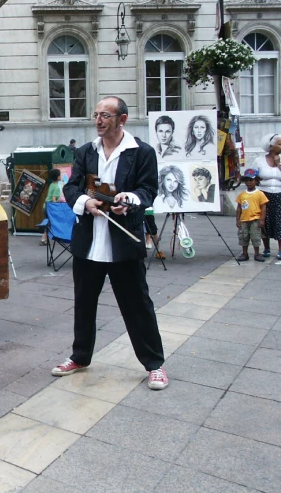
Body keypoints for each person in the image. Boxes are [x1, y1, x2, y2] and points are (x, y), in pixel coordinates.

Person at [54, 96, 168, 391]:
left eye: (105, 115)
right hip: (89, 242)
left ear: (122, 119)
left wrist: (128, 201)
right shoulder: (86, 152)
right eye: (96, 114)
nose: (99, 120)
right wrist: (85, 201)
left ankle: (155, 365)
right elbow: (72, 186)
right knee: (84, 303)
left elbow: (148, 189)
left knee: (137, 305)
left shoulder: (141, 152)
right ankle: (80, 356)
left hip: (123, 241)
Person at [253, 133, 281, 259]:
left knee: (279, 222)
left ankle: (280, 250)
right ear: (271, 146)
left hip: (279, 194)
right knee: (264, 221)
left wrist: (279, 164)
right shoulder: (259, 160)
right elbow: (252, 176)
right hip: (263, 194)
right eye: (279, 144)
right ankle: (267, 248)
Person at [235, 168, 268, 262]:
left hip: (255, 219)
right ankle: (244, 253)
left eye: (251, 180)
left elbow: (263, 207)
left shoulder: (260, 194)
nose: (248, 182)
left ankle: (257, 253)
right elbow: (239, 208)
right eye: (246, 180)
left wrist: (262, 220)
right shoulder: (242, 195)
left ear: (256, 181)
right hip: (244, 220)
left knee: (255, 236)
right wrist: (238, 219)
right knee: (243, 237)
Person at [40, 168, 64, 246]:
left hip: (46, 205)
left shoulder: (52, 184)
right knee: (49, 223)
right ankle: (44, 239)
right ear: (58, 177)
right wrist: (60, 201)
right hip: (50, 207)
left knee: (47, 222)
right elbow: (54, 200)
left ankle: (44, 239)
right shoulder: (57, 187)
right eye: (60, 174)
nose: (61, 176)